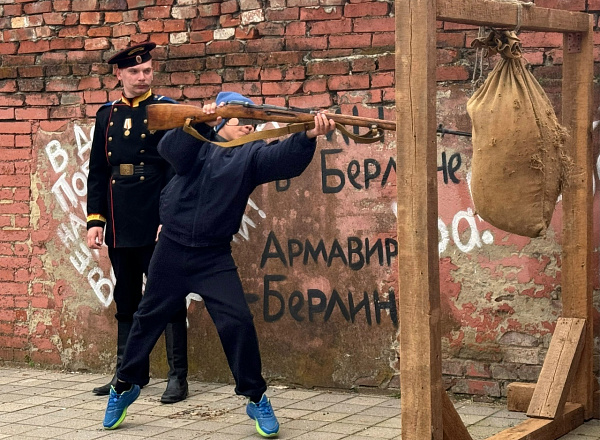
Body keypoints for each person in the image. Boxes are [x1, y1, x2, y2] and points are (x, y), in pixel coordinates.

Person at [101, 91, 336, 438]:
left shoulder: (251, 155)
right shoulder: (197, 141)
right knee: (148, 317)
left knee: (237, 321)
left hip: (213, 255)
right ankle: (123, 386)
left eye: (252, 121)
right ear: (223, 118)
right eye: (242, 118)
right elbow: (172, 152)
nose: (248, 126)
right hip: (172, 248)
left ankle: (255, 397)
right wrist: (200, 123)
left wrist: (308, 136)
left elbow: (283, 160)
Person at [86, 42, 189, 404]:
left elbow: (177, 168)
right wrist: (95, 220)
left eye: (147, 70)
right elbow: (98, 171)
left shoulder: (166, 110)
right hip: (120, 217)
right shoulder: (107, 115)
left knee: (168, 295)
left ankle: (178, 377)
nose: (143, 76)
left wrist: (168, 217)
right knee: (126, 297)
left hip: (156, 215)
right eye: (134, 71)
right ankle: (127, 375)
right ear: (119, 74)